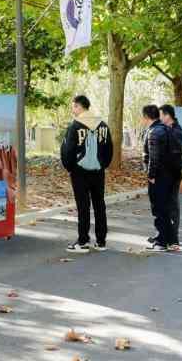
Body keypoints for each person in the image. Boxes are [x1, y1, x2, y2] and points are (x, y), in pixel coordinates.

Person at [60, 95, 114, 253]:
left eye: (73, 106)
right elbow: (109, 148)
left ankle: (83, 241)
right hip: (98, 171)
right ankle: (101, 241)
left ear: (79, 106)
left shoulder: (75, 126)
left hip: (79, 172)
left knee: (83, 206)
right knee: (99, 205)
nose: (73, 110)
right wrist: (103, 165)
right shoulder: (102, 125)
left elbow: (68, 150)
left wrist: (69, 167)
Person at [142, 104, 178, 252]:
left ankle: (161, 242)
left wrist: (151, 175)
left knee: (159, 209)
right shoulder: (165, 129)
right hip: (169, 175)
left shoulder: (155, 132)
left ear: (146, 117)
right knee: (165, 209)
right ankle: (168, 240)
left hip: (159, 177)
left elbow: (154, 157)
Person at [157, 104, 182, 249]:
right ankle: (166, 237)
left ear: (167, 115)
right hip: (168, 174)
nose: (159, 118)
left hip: (172, 174)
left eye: (161, 115)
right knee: (166, 206)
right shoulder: (169, 129)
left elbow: (178, 155)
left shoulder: (175, 131)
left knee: (172, 206)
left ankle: (174, 240)